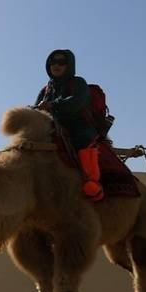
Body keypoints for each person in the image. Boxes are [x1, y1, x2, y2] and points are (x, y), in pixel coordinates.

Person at [35, 49, 103, 201]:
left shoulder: (78, 83)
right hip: (51, 126)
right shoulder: (45, 90)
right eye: (53, 62)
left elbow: (77, 102)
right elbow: (37, 108)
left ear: (69, 65)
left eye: (61, 62)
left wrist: (52, 105)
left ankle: (92, 182)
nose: (56, 65)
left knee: (84, 138)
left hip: (77, 125)